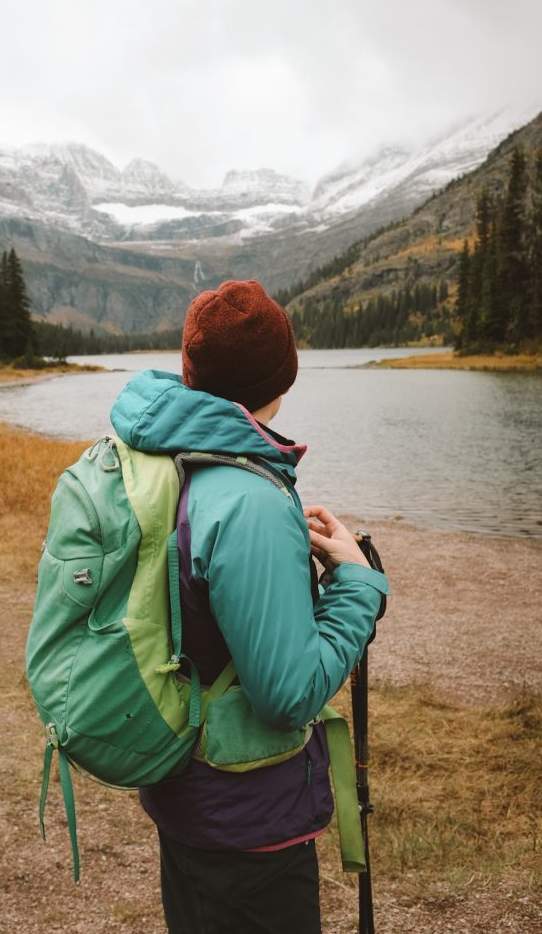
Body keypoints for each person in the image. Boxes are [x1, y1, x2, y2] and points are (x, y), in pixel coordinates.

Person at [109, 278, 390, 934]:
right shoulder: (249, 498)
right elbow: (287, 696)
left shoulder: (166, 458)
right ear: (280, 378)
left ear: (191, 371)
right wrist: (357, 582)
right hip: (246, 833)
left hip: (190, 801)